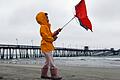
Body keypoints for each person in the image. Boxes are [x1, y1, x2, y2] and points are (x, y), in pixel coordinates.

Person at [36, 11, 62, 80]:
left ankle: (43, 74)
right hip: (45, 46)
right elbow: (46, 37)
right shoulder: (43, 27)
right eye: (46, 17)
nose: (48, 19)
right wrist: (53, 39)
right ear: (42, 19)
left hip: (47, 46)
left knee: (47, 61)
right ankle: (54, 75)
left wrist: (57, 32)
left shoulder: (46, 27)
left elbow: (50, 35)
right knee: (51, 61)